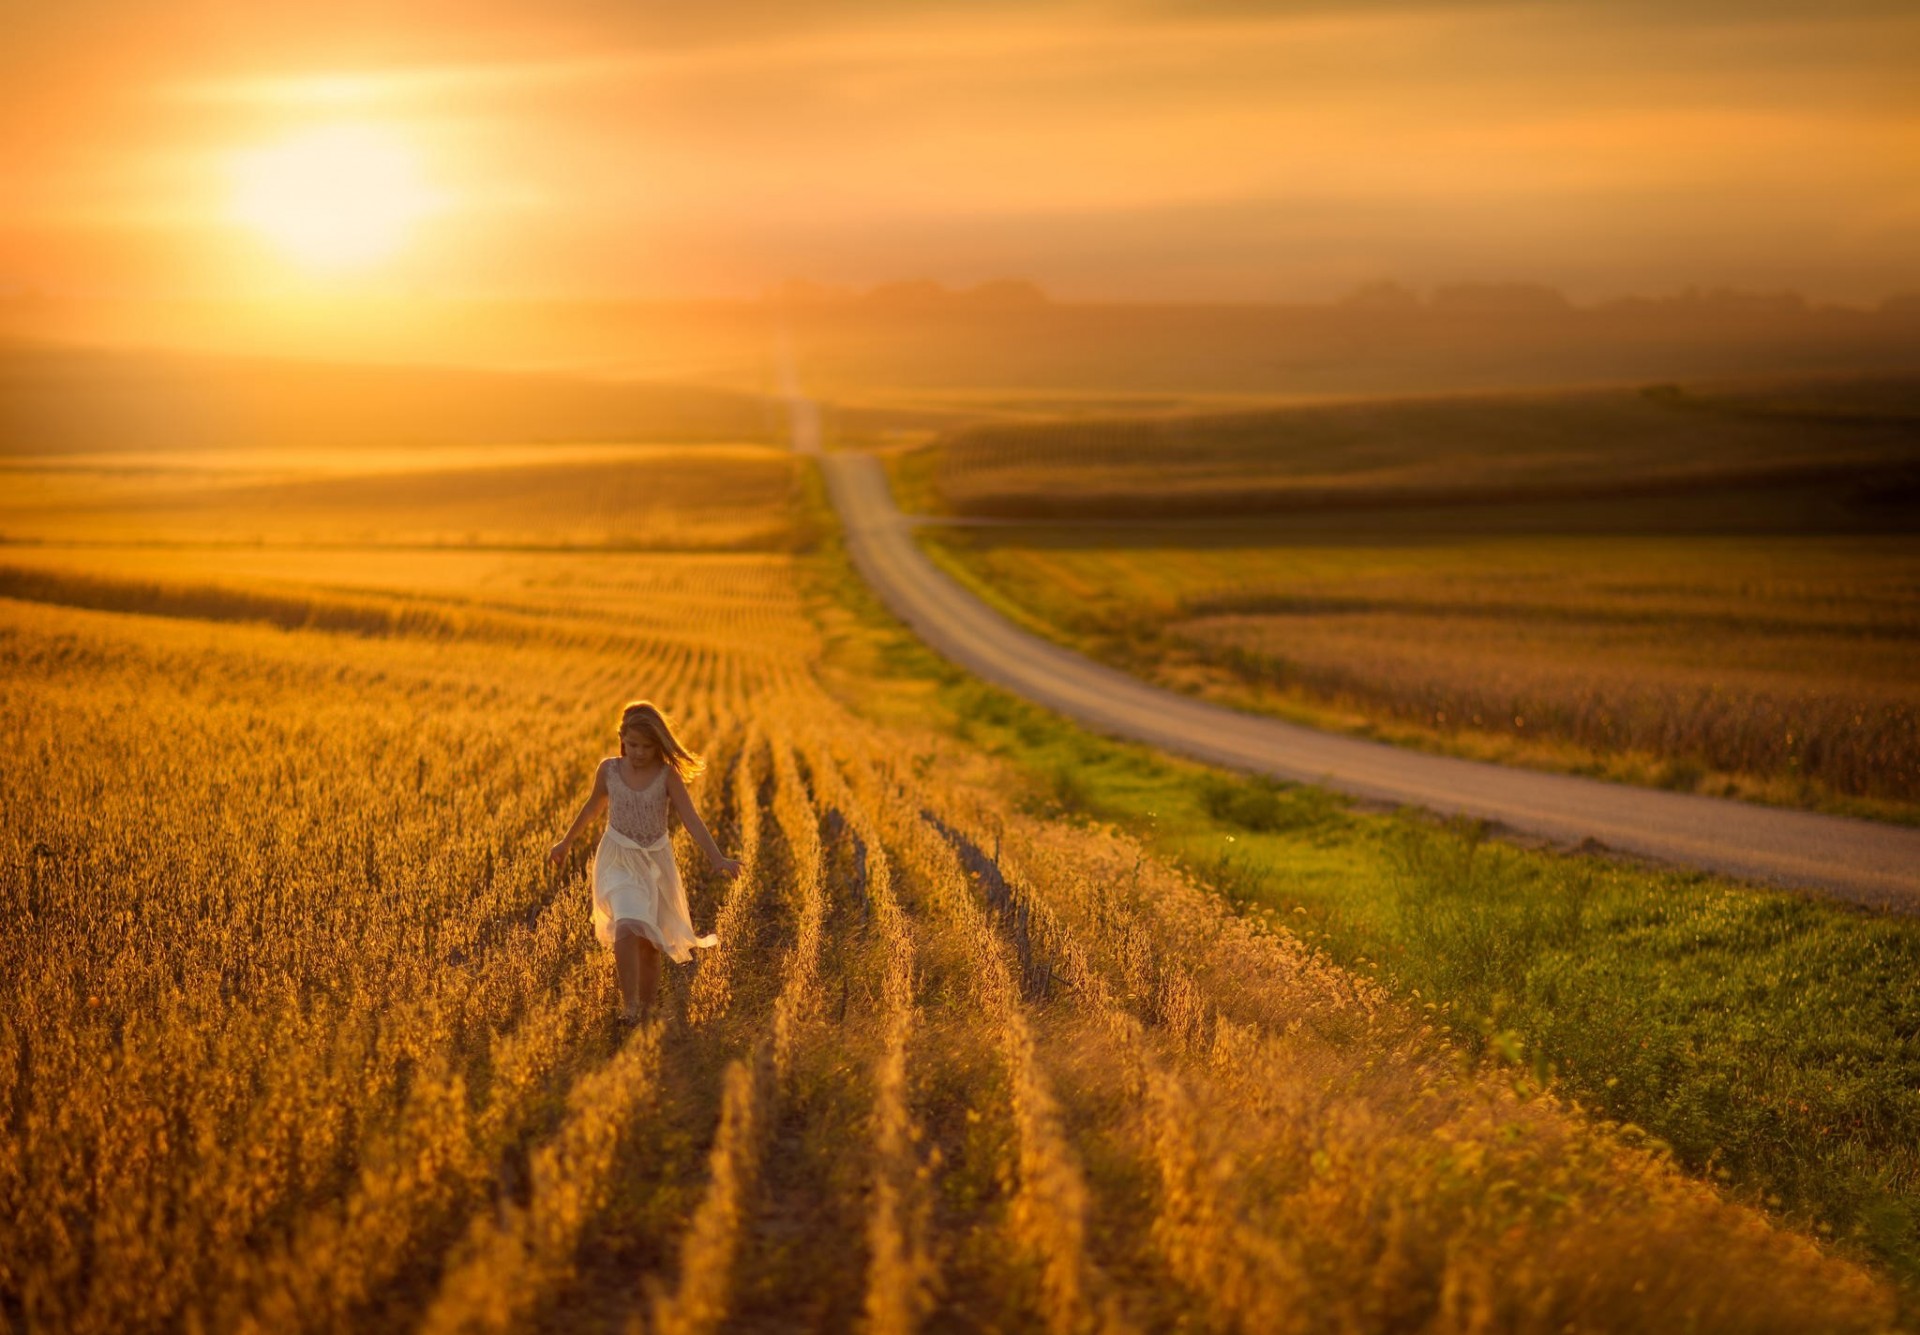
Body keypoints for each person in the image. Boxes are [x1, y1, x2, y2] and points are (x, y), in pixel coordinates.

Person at [549, 700, 739, 1023]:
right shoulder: (609, 770)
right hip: (617, 859)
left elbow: (691, 819)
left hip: (654, 862)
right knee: (626, 925)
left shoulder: (666, 776)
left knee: (650, 944)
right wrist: (566, 842)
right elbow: (592, 807)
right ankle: (631, 1006)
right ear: (621, 737)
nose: (638, 753)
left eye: (646, 747)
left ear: (658, 746)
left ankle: (648, 1012)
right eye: (632, 744)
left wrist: (717, 857)